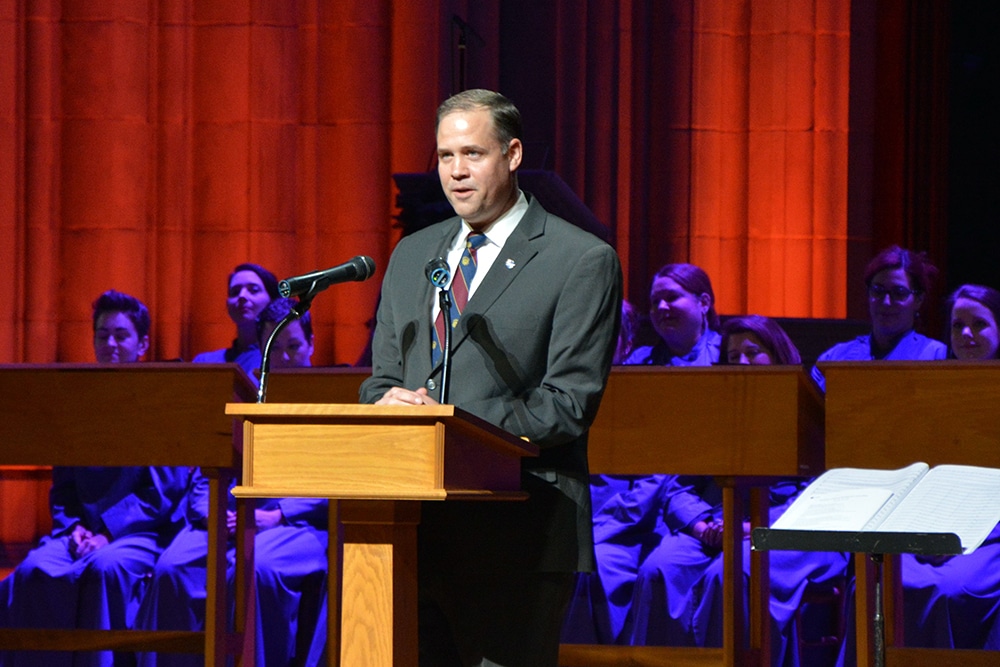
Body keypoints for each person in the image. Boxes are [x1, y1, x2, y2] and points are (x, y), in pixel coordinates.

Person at [359, 89, 623, 666]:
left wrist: (451, 425)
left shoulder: (579, 259)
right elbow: (379, 381)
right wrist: (386, 404)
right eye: (444, 156)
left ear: (513, 154)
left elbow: (567, 404)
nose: (455, 172)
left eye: (472, 154)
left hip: (517, 533)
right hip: (412, 528)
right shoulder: (413, 255)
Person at [0, 291, 189, 667]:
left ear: (143, 343)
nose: (111, 344)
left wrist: (105, 531)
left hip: (140, 533)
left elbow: (161, 493)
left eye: (121, 335)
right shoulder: (80, 401)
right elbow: (64, 485)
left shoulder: (159, 403)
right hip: (80, 532)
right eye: (103, 336)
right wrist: (73, 529)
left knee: (106, 568)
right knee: (34, 571)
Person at [135, 298, 327, 667]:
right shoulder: (246, 397)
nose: (285, 359)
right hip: (233, 515)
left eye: (294, 346)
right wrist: (214, 513)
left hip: (298, 522)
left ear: (311, 344)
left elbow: (341, 479)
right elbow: (209, 466)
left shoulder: (331, 396)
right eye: (275, 350)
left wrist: (280, 514)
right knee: (171, 568)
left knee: (257, 567)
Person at [663, 316, 849, 665]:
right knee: (661, 567)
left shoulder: (809, 409)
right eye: (734, 357)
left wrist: (753, 528)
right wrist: (702, 525)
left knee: (732, 573)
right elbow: (677, 488)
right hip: (718, 526)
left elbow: (822, 494)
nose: (743, 363)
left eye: (753, 352)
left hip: (795, 531)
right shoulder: (717, 412)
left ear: (778, 356)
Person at [901, 284, 1000, 649]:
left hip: (992, 532)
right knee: (882, 585)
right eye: (958, 326)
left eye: (979, 324)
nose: (966, 334)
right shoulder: (930, 391)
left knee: (947, 590)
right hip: (930, 523)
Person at [810, 245, 947, 392]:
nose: (886, 302)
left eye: (899, 293)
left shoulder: (936, 356)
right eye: (878, 291)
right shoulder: (834, 359)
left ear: (918, 300)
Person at [192, 263, 280, 382]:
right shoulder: (204, 362)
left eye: (253, 290)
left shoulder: (282, 359)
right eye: (235, 292)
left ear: (272, 300)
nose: (242, 296)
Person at [623, 263, 721, 366]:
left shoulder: (729, 354)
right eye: (655, 301)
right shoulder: (638, 361)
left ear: (703, 303)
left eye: (672, 297)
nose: (661, 307)